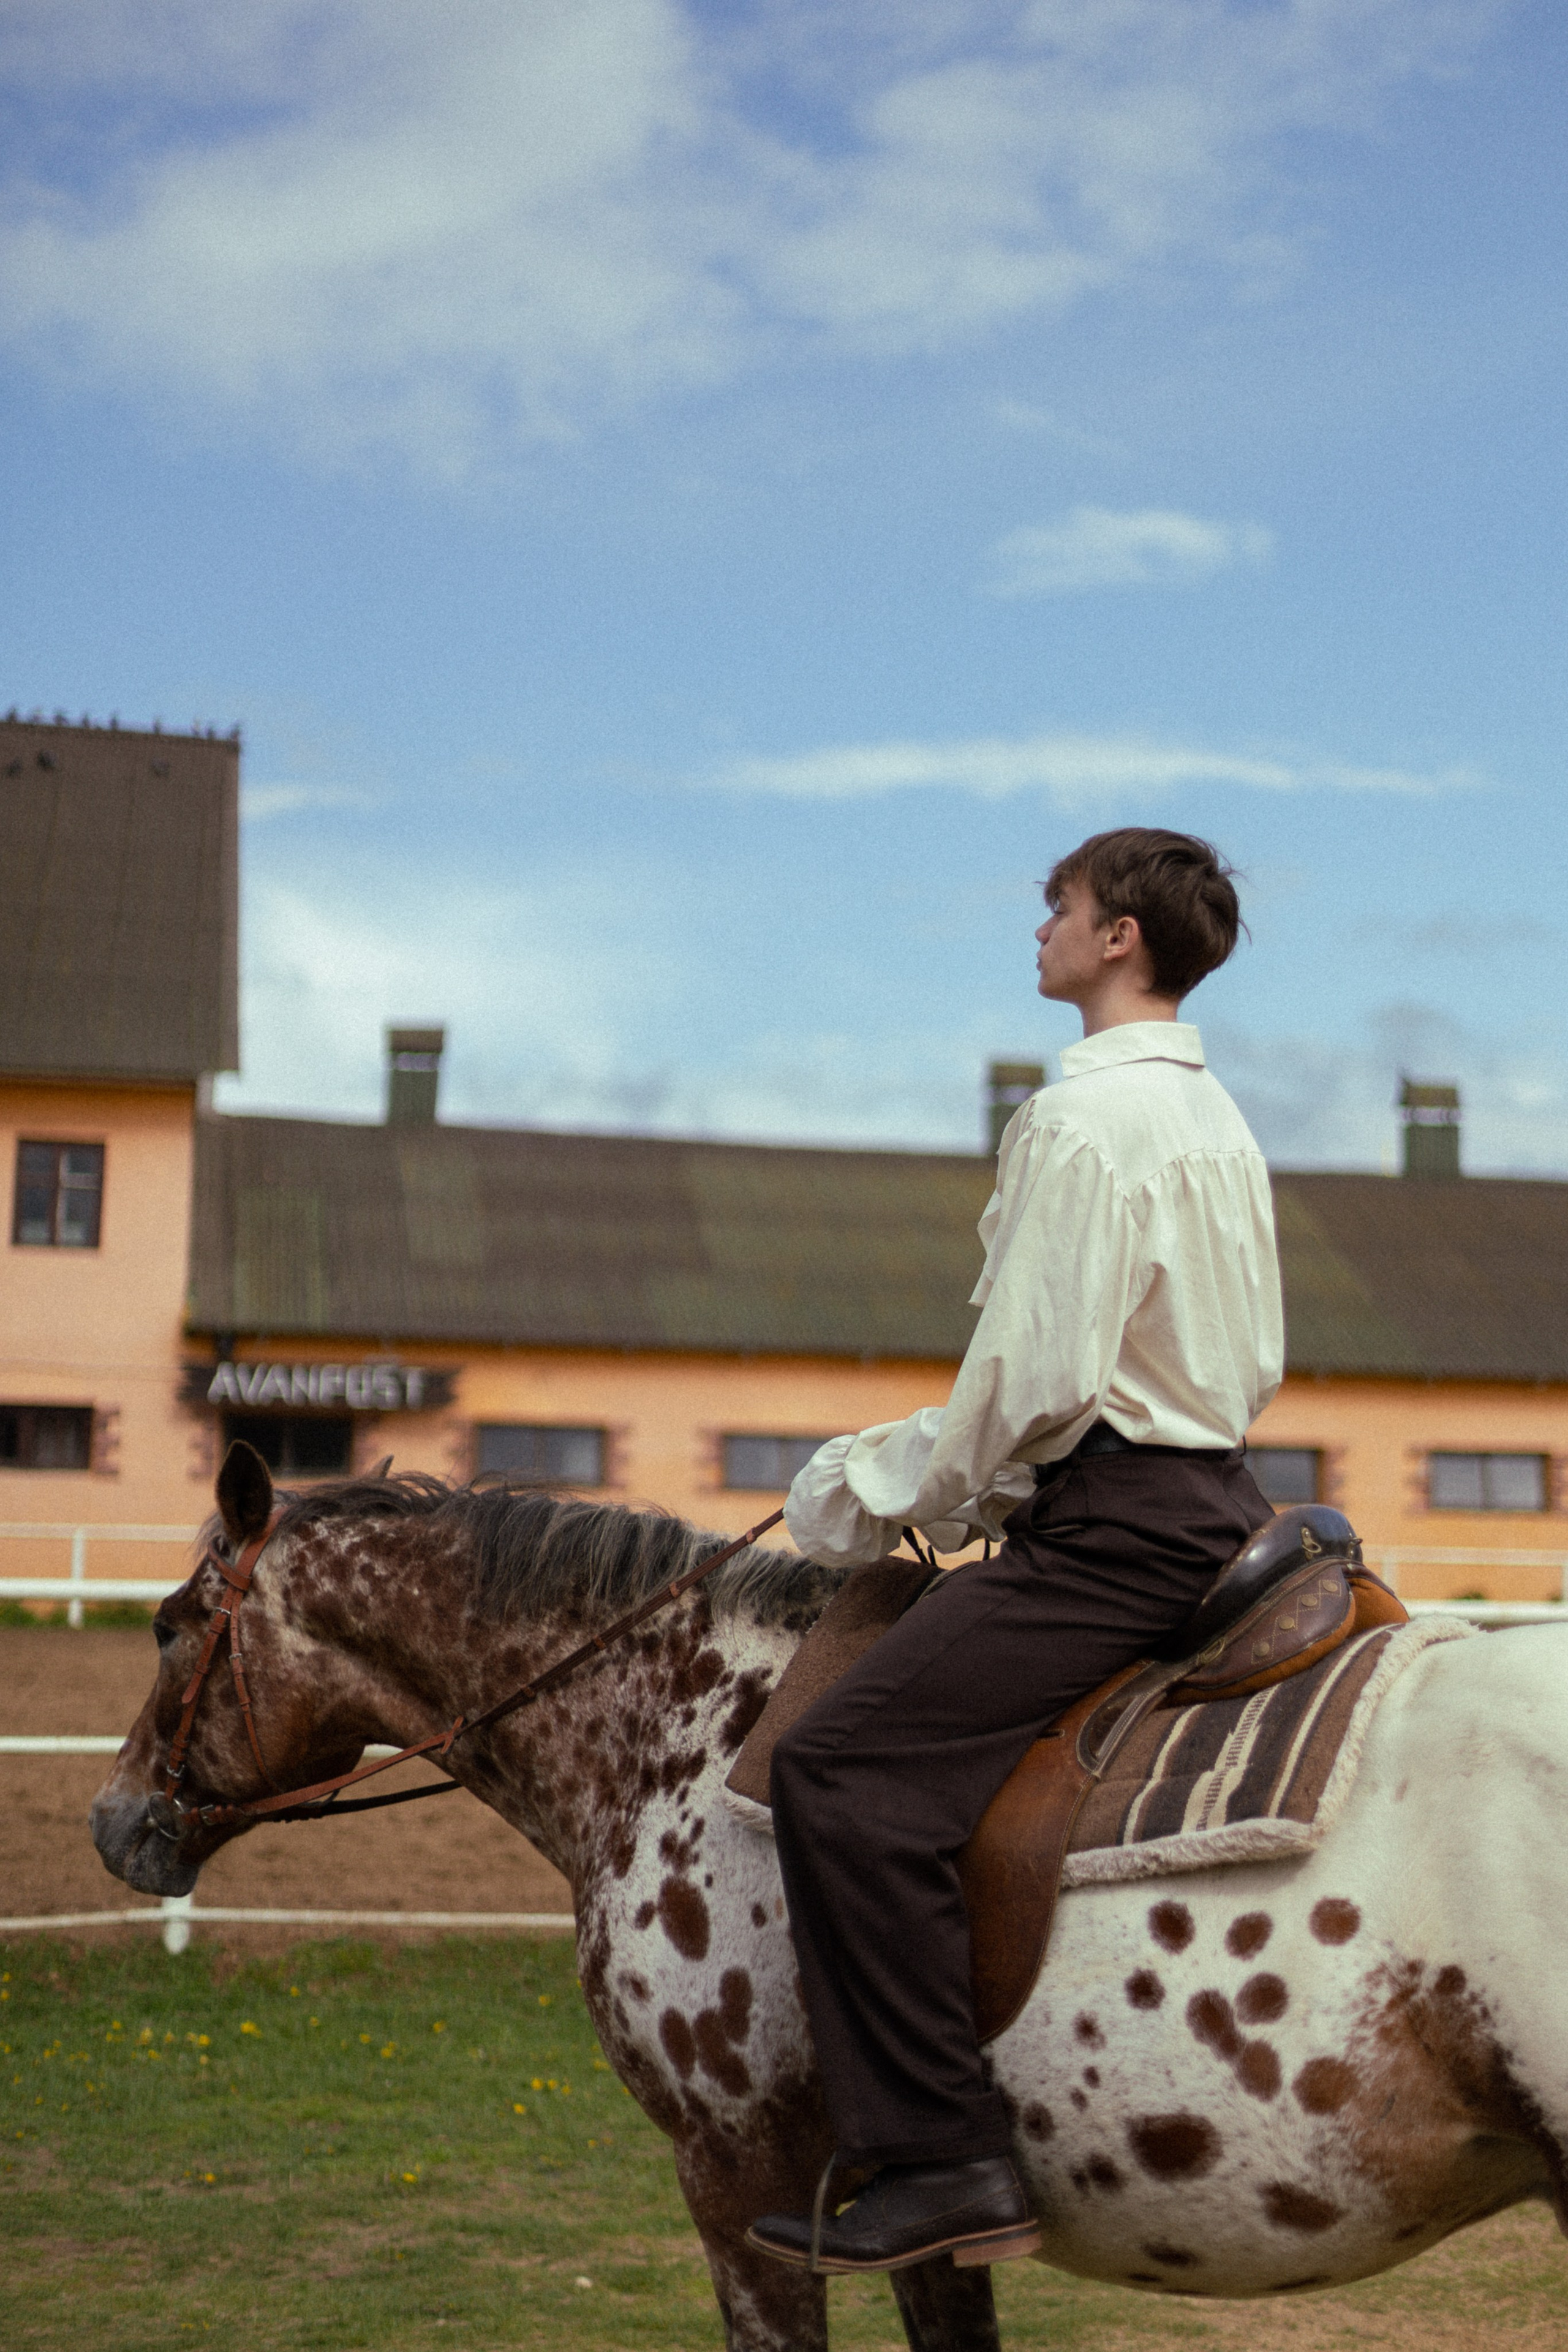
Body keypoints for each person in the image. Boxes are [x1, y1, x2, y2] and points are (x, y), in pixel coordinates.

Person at [747, 827, 1284, 2275]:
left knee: (836, 1771)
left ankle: (943, 2159)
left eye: (1057, 905)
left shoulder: (1079, 1120)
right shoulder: (1216, 1118)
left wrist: (877, 1485)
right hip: (1213, 1495)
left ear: (1117, 937)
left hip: (1117, 1529)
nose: (1036, 928)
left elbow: (1031, 1378)